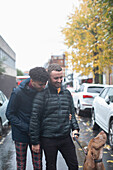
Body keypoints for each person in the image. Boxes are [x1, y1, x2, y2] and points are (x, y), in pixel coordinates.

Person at [30, 63, 80, 170]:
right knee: (51, 166)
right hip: (48, 139)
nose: (59, 80)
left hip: (65, 137)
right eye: (56, 78)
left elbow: (71, 113)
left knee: (74, 165)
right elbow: (35, 119)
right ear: (49, 78)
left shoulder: (66, 94)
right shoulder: (41, 95)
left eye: (61, 77)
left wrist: (75, 129)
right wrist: (35, 142)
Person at [5, 67, 49, 170]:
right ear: (32, 81)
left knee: (38, 164)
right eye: (40, 84)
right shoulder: (18, 93)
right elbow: (10, 114)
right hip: (21, 135)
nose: (43, 87)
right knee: (21, 165)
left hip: (37, 134)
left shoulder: (43, 91)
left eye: (45, 84)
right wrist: (26, 128)